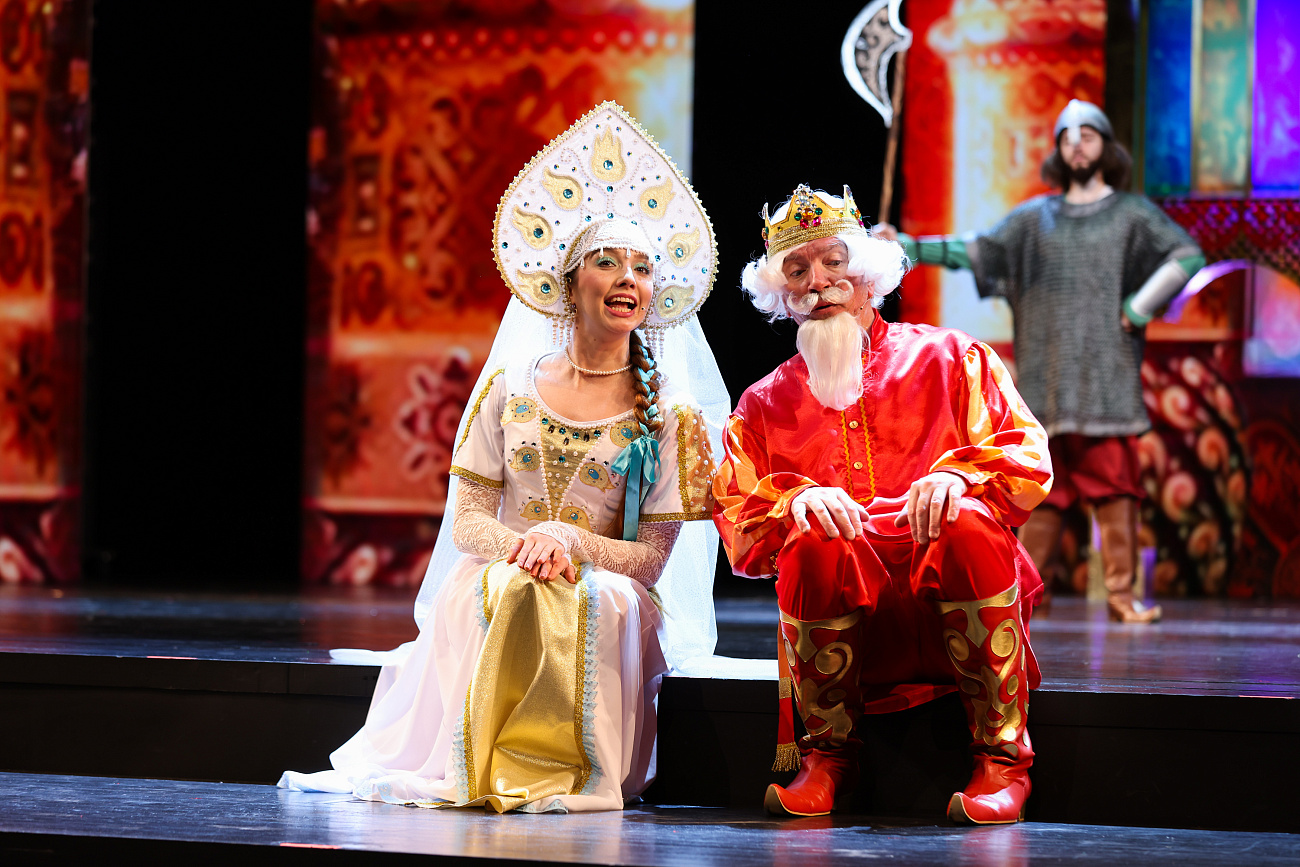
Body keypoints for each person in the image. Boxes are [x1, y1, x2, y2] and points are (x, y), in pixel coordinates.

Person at [279, 102, 728, 813]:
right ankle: (478, 763)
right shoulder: (510, 387)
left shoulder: (669, 411)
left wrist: (570, 543)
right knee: (502, 588)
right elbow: (469, 522)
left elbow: (650, 560)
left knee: (586, 597)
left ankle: (562, 771)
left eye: (643, 268)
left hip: (609, 587)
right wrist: (526, 550)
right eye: (608, 262)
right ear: (568, 284)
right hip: (501, 570)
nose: (628, 278)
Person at [714, 184, 1053, 824]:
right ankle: (827, 757)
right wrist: (797, 499)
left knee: (965, 519)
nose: (818, 283)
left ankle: (1002, 760)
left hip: (949, 593)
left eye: (833, 262)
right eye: (797, 271)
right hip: (849, 623)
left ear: (869, 276)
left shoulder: (952, 358)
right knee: (813, 536)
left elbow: (1027, 454)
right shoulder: (763, 404)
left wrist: (959, 476)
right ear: (782, 296)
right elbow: (738, 518)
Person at [876, 99, 1206, 623]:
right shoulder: (1034, 220)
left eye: (1087, 136)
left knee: (1116, 490)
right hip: (1048, 380)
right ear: (1058, 150)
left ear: (1105, 146)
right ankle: (1027, 595)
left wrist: (1138, 307)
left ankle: (1122, 597)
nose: (1077, 145)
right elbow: (976, 251)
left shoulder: (1131, 215)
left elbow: (1186, 255)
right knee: (1041, 493)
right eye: (1068, 137)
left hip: (1104, 378)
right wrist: (909, 246)